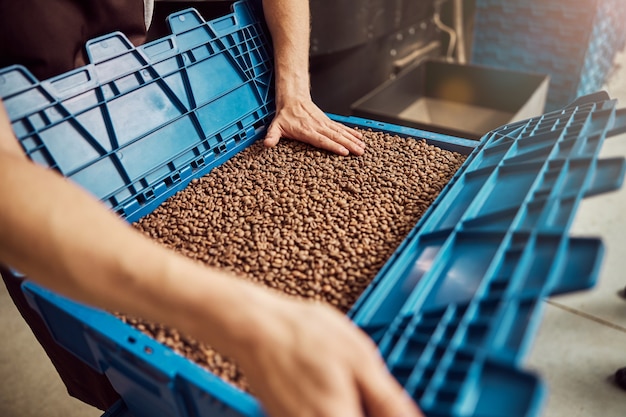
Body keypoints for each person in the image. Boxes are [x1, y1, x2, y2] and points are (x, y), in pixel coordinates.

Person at [0, 1, 423, 417]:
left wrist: (293, 91)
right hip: (43, 174)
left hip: (137, 100)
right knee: (127, 375)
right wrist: (246, 321)